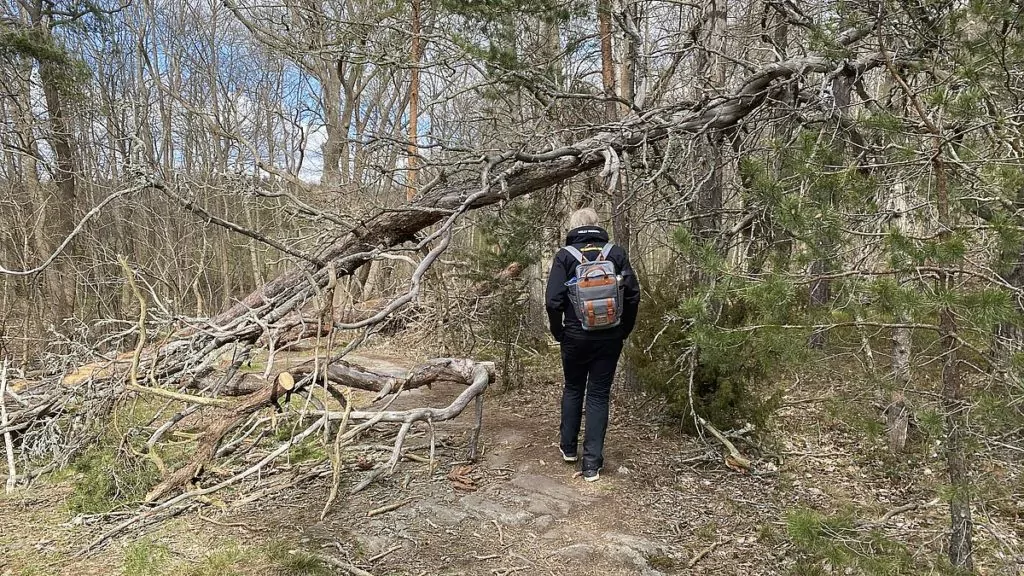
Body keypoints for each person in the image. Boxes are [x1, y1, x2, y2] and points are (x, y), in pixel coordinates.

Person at [545, 208, 641, 482]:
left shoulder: (565, 256)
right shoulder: (616, 253)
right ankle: (591, 465)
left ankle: (568, 448)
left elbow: (553, 301)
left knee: (573, 387)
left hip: (574, 337)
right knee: (598, 395)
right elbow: (633, 296)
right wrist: (623, 330)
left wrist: (558, 332)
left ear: (573, 227)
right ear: (598, 226)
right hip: (609, 337)